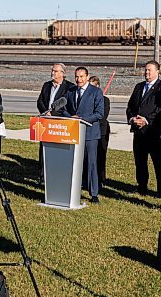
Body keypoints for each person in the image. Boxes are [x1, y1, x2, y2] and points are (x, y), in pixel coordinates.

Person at [126, 60, 161, 197]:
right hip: (139, 133)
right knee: (140, 162)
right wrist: (132, 118)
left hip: (154, 133)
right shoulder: (139, 87)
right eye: (145, 70)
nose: (146, 72)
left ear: (157, 71)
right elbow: (130, 106)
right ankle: (142, 187)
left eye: (149, 70)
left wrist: (146, 120)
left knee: (158, 163)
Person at [64, 66, 104, 203]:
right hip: (74, 132)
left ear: (87, 77)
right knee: (74, 162)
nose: (78, 79)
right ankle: (73, 188)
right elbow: (64, 109)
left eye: (81, 76)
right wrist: (70, 117)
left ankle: (94, 193)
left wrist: (81, 119)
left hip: (90, 134)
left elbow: (99, 113)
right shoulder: (70, 91)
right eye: (76, 76)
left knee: (91, 163)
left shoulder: (96, 92)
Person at [36, 63, 75, 182]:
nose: (53, 73)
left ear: (63, 73)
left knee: (59, 150)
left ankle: (58, 174)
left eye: (56, 71)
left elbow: (68, 105)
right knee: (44, 149)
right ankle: (42, 176)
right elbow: (40, 101)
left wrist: (53, 114)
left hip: (60, 123)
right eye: (52, 70)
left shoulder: (69, 87)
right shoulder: (47, 85)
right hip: (45, 122)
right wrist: (45, 112)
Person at [88, 76, 110, 187]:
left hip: (101, 131)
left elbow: (102, 116)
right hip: (88, 131)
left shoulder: (104, 100)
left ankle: (101, 179)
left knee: (100, 156)